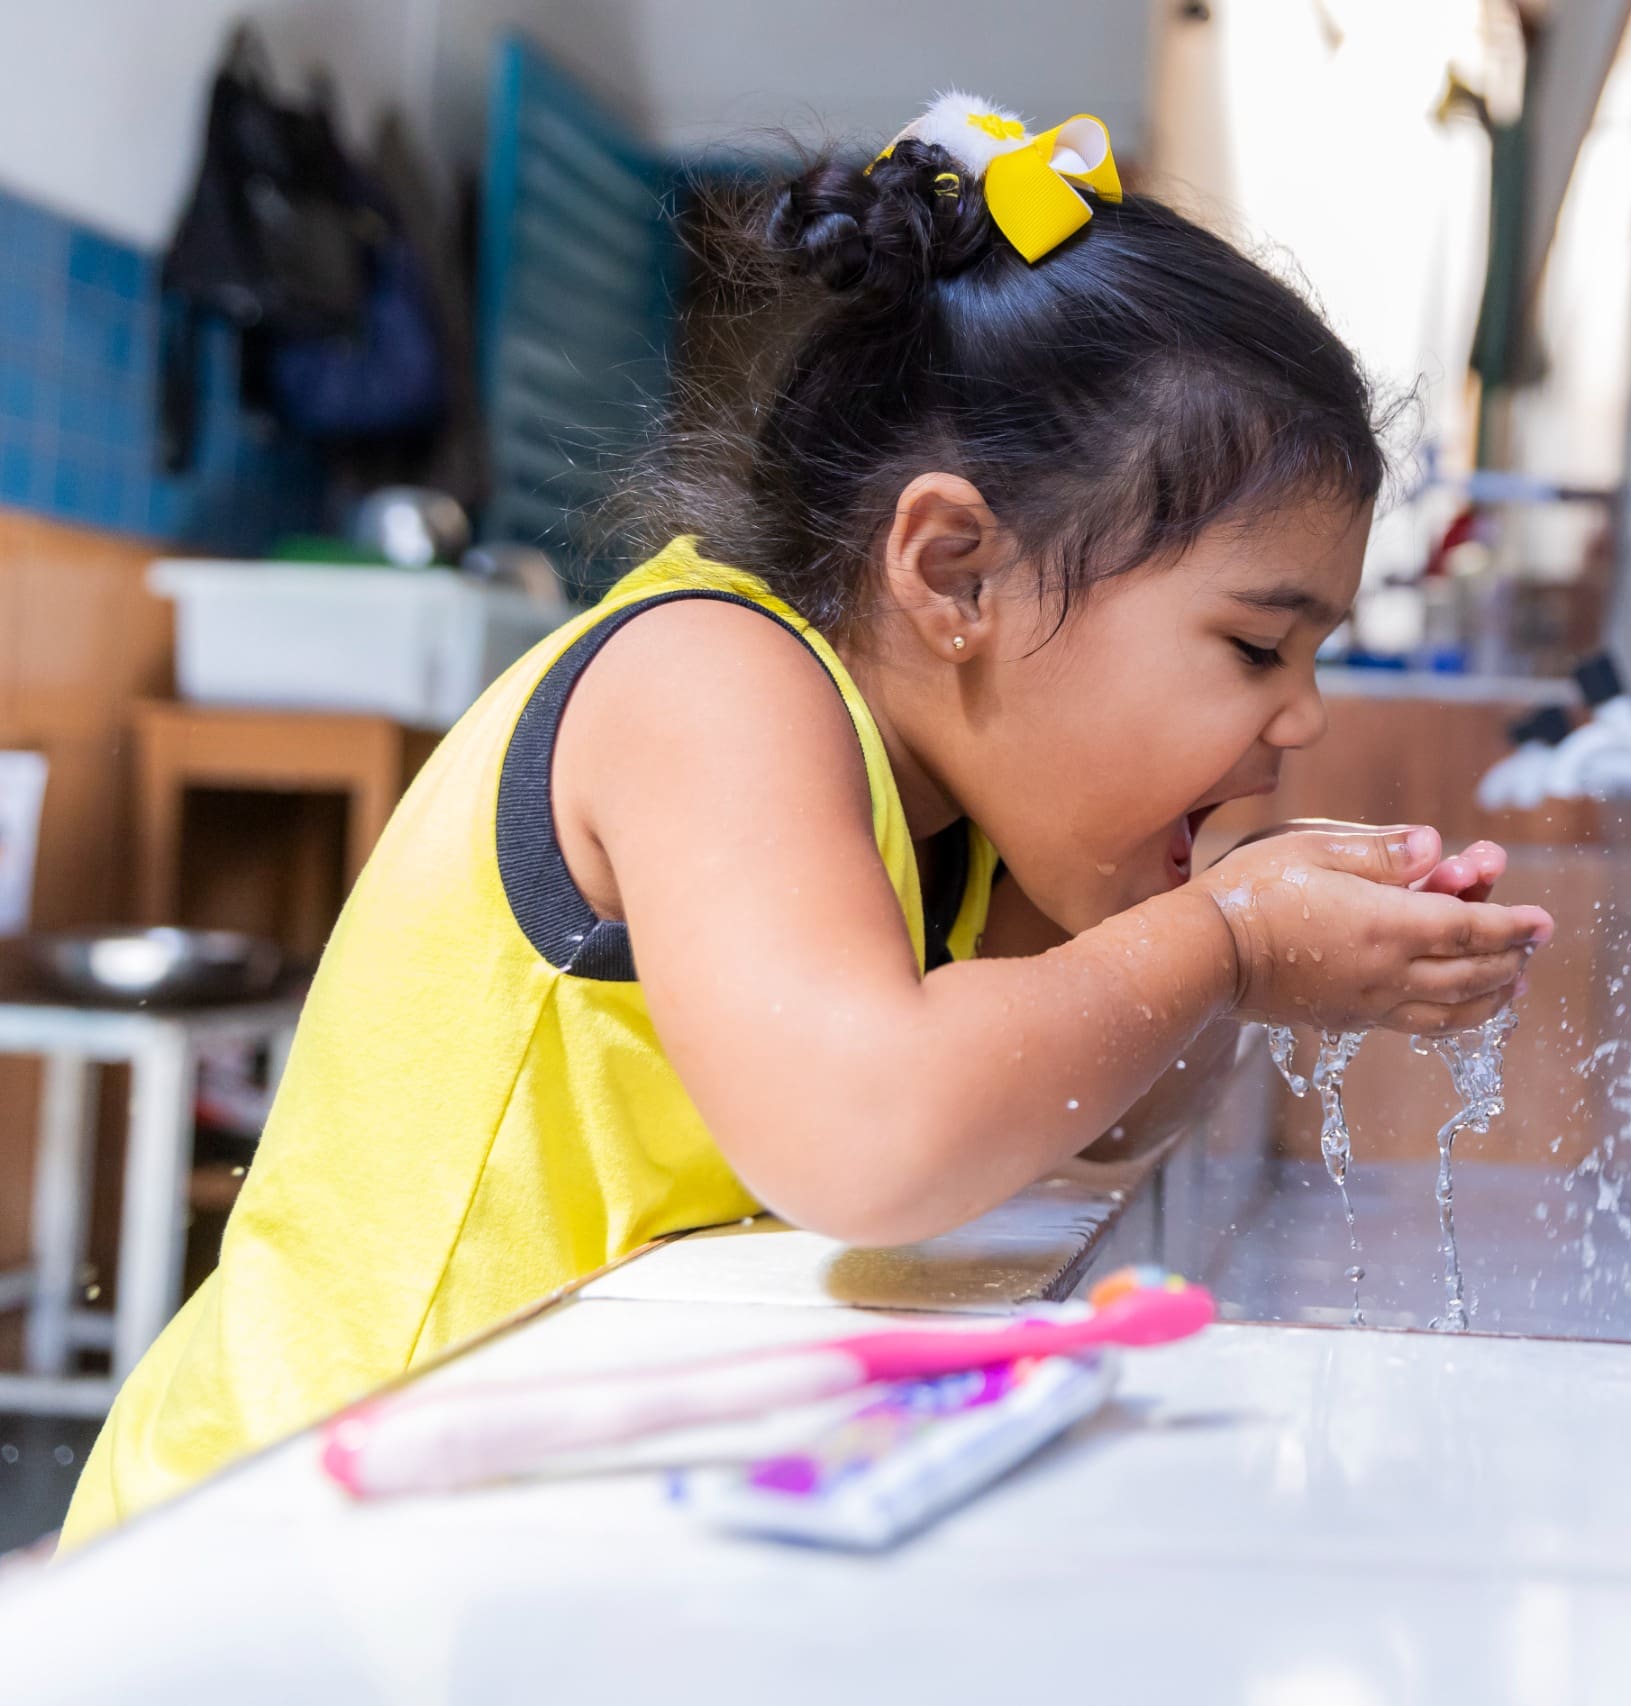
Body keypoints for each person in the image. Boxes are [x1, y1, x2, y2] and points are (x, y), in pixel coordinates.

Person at [62, 94, 1550, 1545]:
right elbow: (876, 1141)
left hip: (483, 1519)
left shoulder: (955, 811)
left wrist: (1245, 919)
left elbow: (1078, 1126)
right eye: (1253, 645)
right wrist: (1224, 940)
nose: (1301, 720)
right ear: (956, 570)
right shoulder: (713, 683)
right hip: (266, 1529)